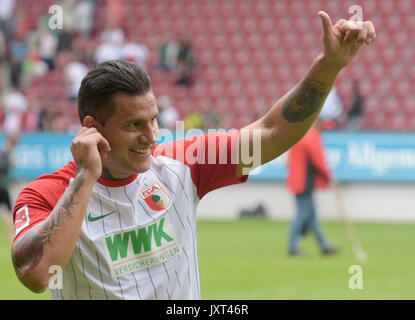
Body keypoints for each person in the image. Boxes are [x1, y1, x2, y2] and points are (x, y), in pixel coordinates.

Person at [10, 12, 375, 299]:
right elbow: (36, 276)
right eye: (134, 124)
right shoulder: (45, 194)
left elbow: (271, 132)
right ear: (92, 127)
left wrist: (329, 65)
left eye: (153, 119)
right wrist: (86, 176)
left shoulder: (182, 165)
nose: (151, 135)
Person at [286, 119, 338, 257]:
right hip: (304, 182)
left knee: (311, 217)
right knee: (302, 215)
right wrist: (330, 179)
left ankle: (324, 245)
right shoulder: (312, 137)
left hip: (298, 180)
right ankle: (292, 247)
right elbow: (319, 162)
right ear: (318, 124)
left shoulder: (302, 135)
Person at [0, 133, 18, 242]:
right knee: (8, 210)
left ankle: (11, 234)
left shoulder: (5, 150)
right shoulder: (5, 151)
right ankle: (11, 234)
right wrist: (10, 162)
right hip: (2, 186)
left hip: (2, 184)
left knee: (7, 210)